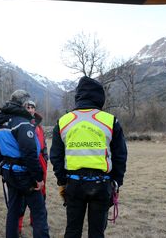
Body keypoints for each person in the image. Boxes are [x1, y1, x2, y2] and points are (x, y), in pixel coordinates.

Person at [50, 76, 127, 238]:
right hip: (102, 184)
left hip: (73, 183)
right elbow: (120, 155)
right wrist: (116, 182)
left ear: (78, 96)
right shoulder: (110, 121)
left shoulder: (63, 121)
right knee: (97, 232)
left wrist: (62, 181)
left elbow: (56, 156)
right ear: (100, 97)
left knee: (72, 230)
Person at [0, 90, 50, 238]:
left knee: (13, 210)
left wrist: (3, 168)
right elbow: (30, 153)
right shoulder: (21, 123)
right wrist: (38, 178)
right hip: (24, 174)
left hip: (9, 172)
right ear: (23, 103)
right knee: (39, 212)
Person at [18, 100, 48, 235]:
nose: (30, 109)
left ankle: (34, 221)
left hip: (41, 163)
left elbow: (44, 145)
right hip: (26, 163)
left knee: (41, 194)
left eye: (32, 107)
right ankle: (17, 227)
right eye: (27, 107)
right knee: (23, 198)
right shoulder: (20, 124)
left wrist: (45, 158)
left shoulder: (39, 126)